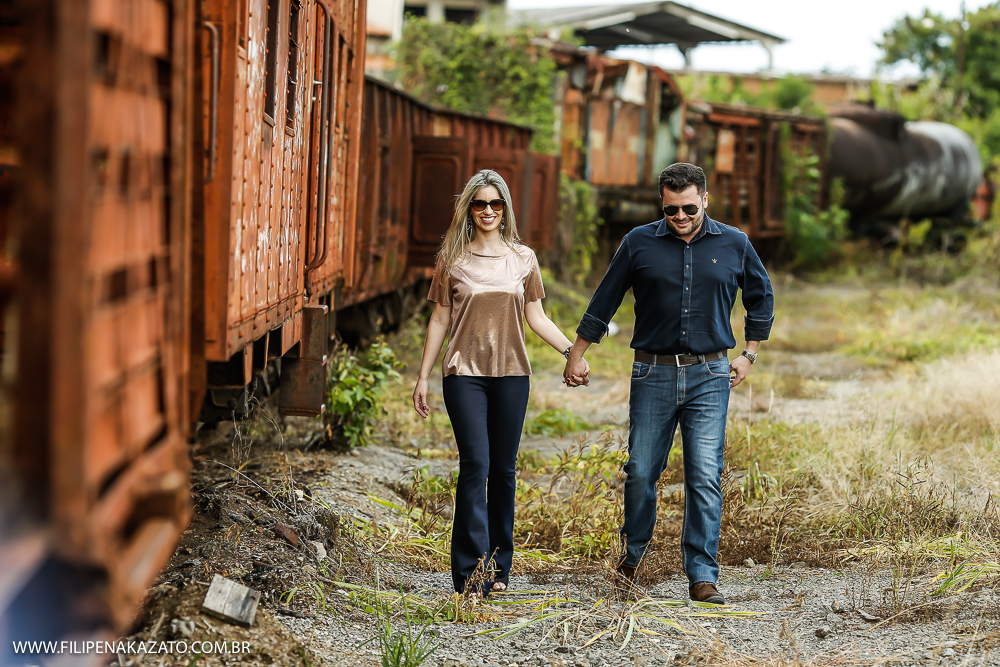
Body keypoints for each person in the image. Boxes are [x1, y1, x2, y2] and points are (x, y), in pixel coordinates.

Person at [562, 163, 774, 605]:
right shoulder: (638, 242)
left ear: (705, 201)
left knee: (704, 474)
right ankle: (631, 561)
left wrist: (750, 353)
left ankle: (702, 576)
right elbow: (605, 299)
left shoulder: (734, 243)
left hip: (710, 374)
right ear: (661, 203)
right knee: (641, 471)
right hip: (652, 373)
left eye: (689, 208)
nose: (680, 216)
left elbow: (761, 296)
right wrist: (577, 352)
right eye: (671, 209)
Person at [412, 169, 589, 597]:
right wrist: (422, 377)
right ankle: (471, 574)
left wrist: (572, 353)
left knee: (504, 471)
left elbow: (537, 317)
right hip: (464, 375)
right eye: (480, 203)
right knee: (476, 465)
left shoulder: (523, 258)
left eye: (495, 203)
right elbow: (439, 319)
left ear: (505, 208)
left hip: (512, 375)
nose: (488, 210)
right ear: (469, 209)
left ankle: (499, 567)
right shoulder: (452, 259)